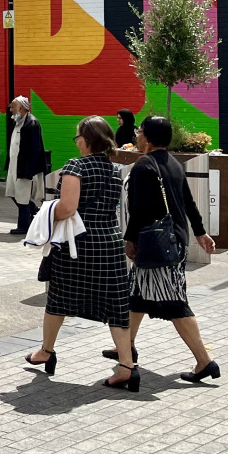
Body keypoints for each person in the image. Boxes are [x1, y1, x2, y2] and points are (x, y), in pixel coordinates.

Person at [24, 116, 134, 384]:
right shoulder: (113, 169)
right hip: (110, 243)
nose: (77, 143)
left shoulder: (76, 166)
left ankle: (46, 351)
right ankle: (126, 367)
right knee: (116, 304)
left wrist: (47, 212)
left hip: (79, 245)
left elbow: (68, 208)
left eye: (78, 138)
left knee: (59, 298)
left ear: (85, 140)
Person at [122, 114, 220, 385]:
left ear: (149, 138)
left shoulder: (143, 166)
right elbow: (188, 202)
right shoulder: (174, 164)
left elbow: (138, 210)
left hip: (157, 245)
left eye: (140, 131)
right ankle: (126, 347)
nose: (137, 136)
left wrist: (131, 240)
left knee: (175, 303)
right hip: (174, 239)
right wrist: (199, 232)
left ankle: (204, 360)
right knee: (137, 295)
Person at [5, 96, 46, 239]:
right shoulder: (17, 122)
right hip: (14, 166)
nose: (10, 110)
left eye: (13, 107)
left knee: (22, 196)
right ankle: (34, 210)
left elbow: (35, 149)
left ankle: (24, 226)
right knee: (12, 192)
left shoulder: (32, 123)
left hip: (24, 168)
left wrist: (29, 171)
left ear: (21, 108)